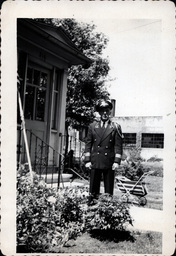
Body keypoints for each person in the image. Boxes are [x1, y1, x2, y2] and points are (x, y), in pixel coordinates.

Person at [84, 99, 123, 203]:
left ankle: (107, 210)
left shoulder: (115, 127)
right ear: (99, 112)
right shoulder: (92, 126)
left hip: (109, 162)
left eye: (107, 110)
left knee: (108, 190)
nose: (105, 113)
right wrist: (87, 160)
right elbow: (88, 144)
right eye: (102, 111)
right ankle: (91, 208)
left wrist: (116, 162)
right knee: (93, 190)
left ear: (110, 112)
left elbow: (118, 146)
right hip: (95, 161)